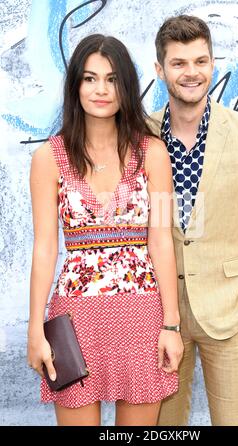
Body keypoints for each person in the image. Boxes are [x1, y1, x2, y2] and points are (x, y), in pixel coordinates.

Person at [27, 33, 184, 427]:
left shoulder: (153, 153)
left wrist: (171, 324)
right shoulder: (49, 157)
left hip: (142, 317)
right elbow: (45, 247)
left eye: (112, 79)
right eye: (90, 78)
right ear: (75, 85)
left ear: (126, 86)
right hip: (74, 322)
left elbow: (161, 240)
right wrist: (34, 328)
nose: (101, 89)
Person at [149, 15, 238, 426]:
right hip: (159, 317)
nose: (191, 72)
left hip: (231, 311)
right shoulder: (140, 136)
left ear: (213, 64)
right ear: (160, 70)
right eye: (178, 63)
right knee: (163, 429)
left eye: (200, 61)